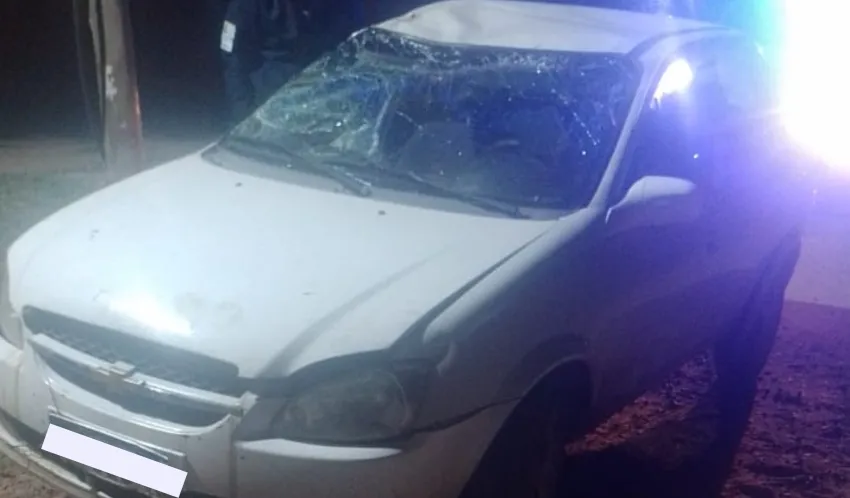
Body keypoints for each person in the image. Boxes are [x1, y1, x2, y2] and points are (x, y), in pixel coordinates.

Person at [220, 0, 303, 124]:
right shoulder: (243, 5)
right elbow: (232, 57)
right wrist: (242, 110)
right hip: (265, 97)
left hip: (306, 86)